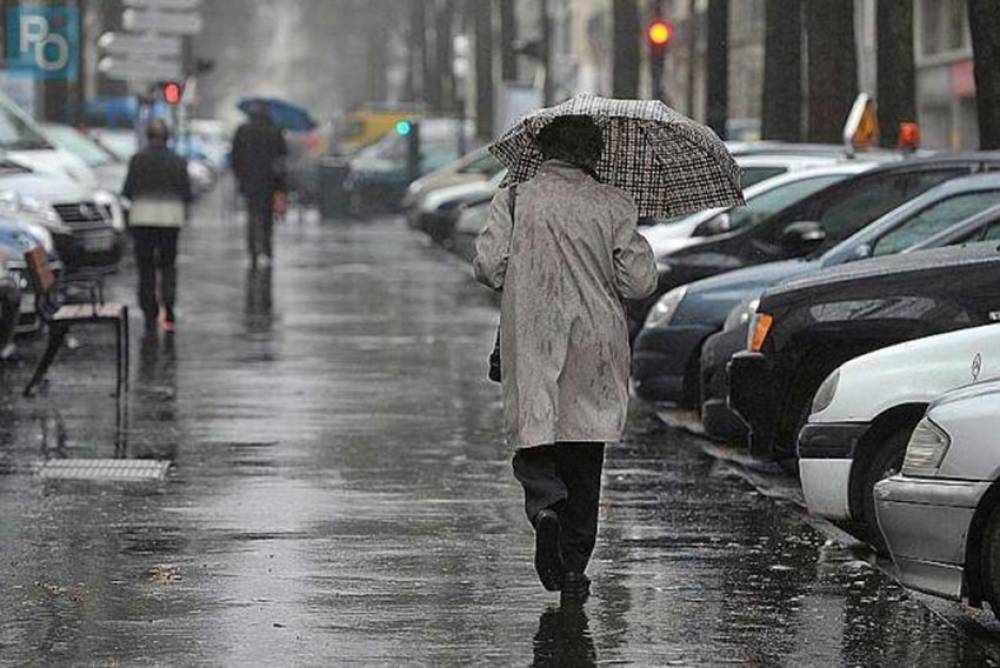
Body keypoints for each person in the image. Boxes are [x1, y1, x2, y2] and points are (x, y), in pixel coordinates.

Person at [473, 116, 657, 603]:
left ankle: (545, 507)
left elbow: (489, 267)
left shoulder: (514, 197)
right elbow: (638, 284)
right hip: (596, 341)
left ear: (543, 151)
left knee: (535, 438)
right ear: (593, 155)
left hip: (533, 334)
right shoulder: (614, 203)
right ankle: (574, 567)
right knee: (584, 450)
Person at [122, 118, 192, 336]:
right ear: (168, 137)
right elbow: (187, 192)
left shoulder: (137, 160)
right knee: (168, 265)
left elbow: (128, 190)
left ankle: (149, 312)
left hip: (142, 218)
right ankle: (169, 309)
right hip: (170, 219)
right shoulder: (178, 161)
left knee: (146, 269)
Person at [231, 103, 288, 268]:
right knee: (267, 216)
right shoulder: (274, 130)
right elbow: (282, 156)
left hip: (249, 182)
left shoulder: (242, 130)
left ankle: (253, 250)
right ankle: (267, 248)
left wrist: (240, 176)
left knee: (252, 214)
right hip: (270, 182)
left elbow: (235, 157)